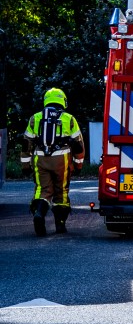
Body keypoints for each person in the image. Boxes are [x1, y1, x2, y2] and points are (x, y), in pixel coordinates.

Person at [21, 87, 85, 236]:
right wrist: (78, 164)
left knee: (42, 190)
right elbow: (79, 145)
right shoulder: (69, 119)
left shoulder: (34, 118)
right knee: (61, 191)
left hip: (40, 158)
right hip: (61, 159)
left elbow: (26, 144)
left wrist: (25, 165)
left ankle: (39, 214)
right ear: (62, 101)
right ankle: (60, 224)